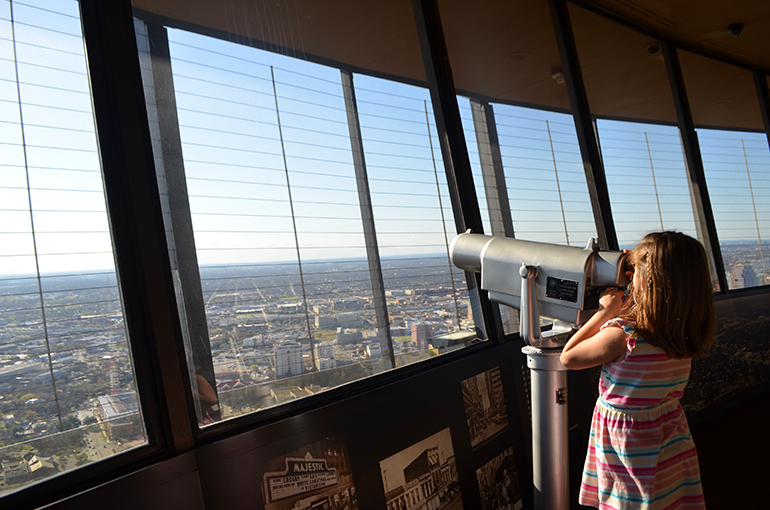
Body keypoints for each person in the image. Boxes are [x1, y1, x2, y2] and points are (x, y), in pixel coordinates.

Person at [561, 231, 714, 510]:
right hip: (669, 431)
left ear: (647, 282)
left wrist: (604, 313)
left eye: (634, 274)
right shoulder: (684, 334)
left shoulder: (623, 336)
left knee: (628, 499)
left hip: (628, 444)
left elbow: (569, 357)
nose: (629, 277)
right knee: (666, 495)